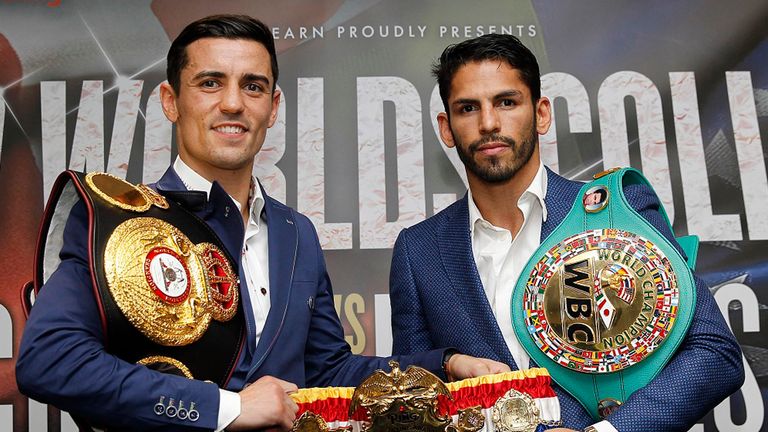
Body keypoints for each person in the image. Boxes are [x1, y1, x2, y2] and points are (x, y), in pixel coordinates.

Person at [15, 15, 508, 431]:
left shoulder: (297, 234)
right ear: (170, 101)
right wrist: (226, 409)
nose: (233, 103)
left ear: (272, 108)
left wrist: (443, 365)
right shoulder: (118, 218)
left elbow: (326, 370)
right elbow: (48, 362)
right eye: (210, 83)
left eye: (252, 86)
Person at [389, 33, 744, 432]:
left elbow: (714, 354)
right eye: (468, 108)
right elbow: (412, 399)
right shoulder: (417, 251)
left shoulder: (613, 213)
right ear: (447, 128)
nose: (488, 123)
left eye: (507, 102)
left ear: (541, 113)